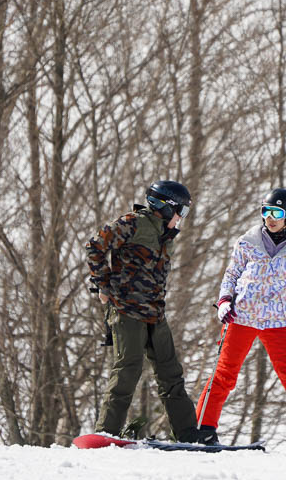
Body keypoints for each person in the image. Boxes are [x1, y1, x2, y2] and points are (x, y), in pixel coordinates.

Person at [195, 188, 286, 454]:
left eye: (276, 213)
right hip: (243, 316)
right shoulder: (247, 241)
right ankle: (203, 430)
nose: (269, 218)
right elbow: (232, 273)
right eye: (265, 211)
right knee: (225, 373)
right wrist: (225, 300)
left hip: (279, 320)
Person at [86, 180, 204, 443]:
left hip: (155, 314)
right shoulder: (132, 223)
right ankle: (106, 433)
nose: (181, 219)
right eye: (181, 211)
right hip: (127, 311)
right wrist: (104, 285)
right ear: (164, 207)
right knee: (127, 370)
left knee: (171, 374)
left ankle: (189, 436)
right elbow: (95, 246)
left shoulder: (165, 236)